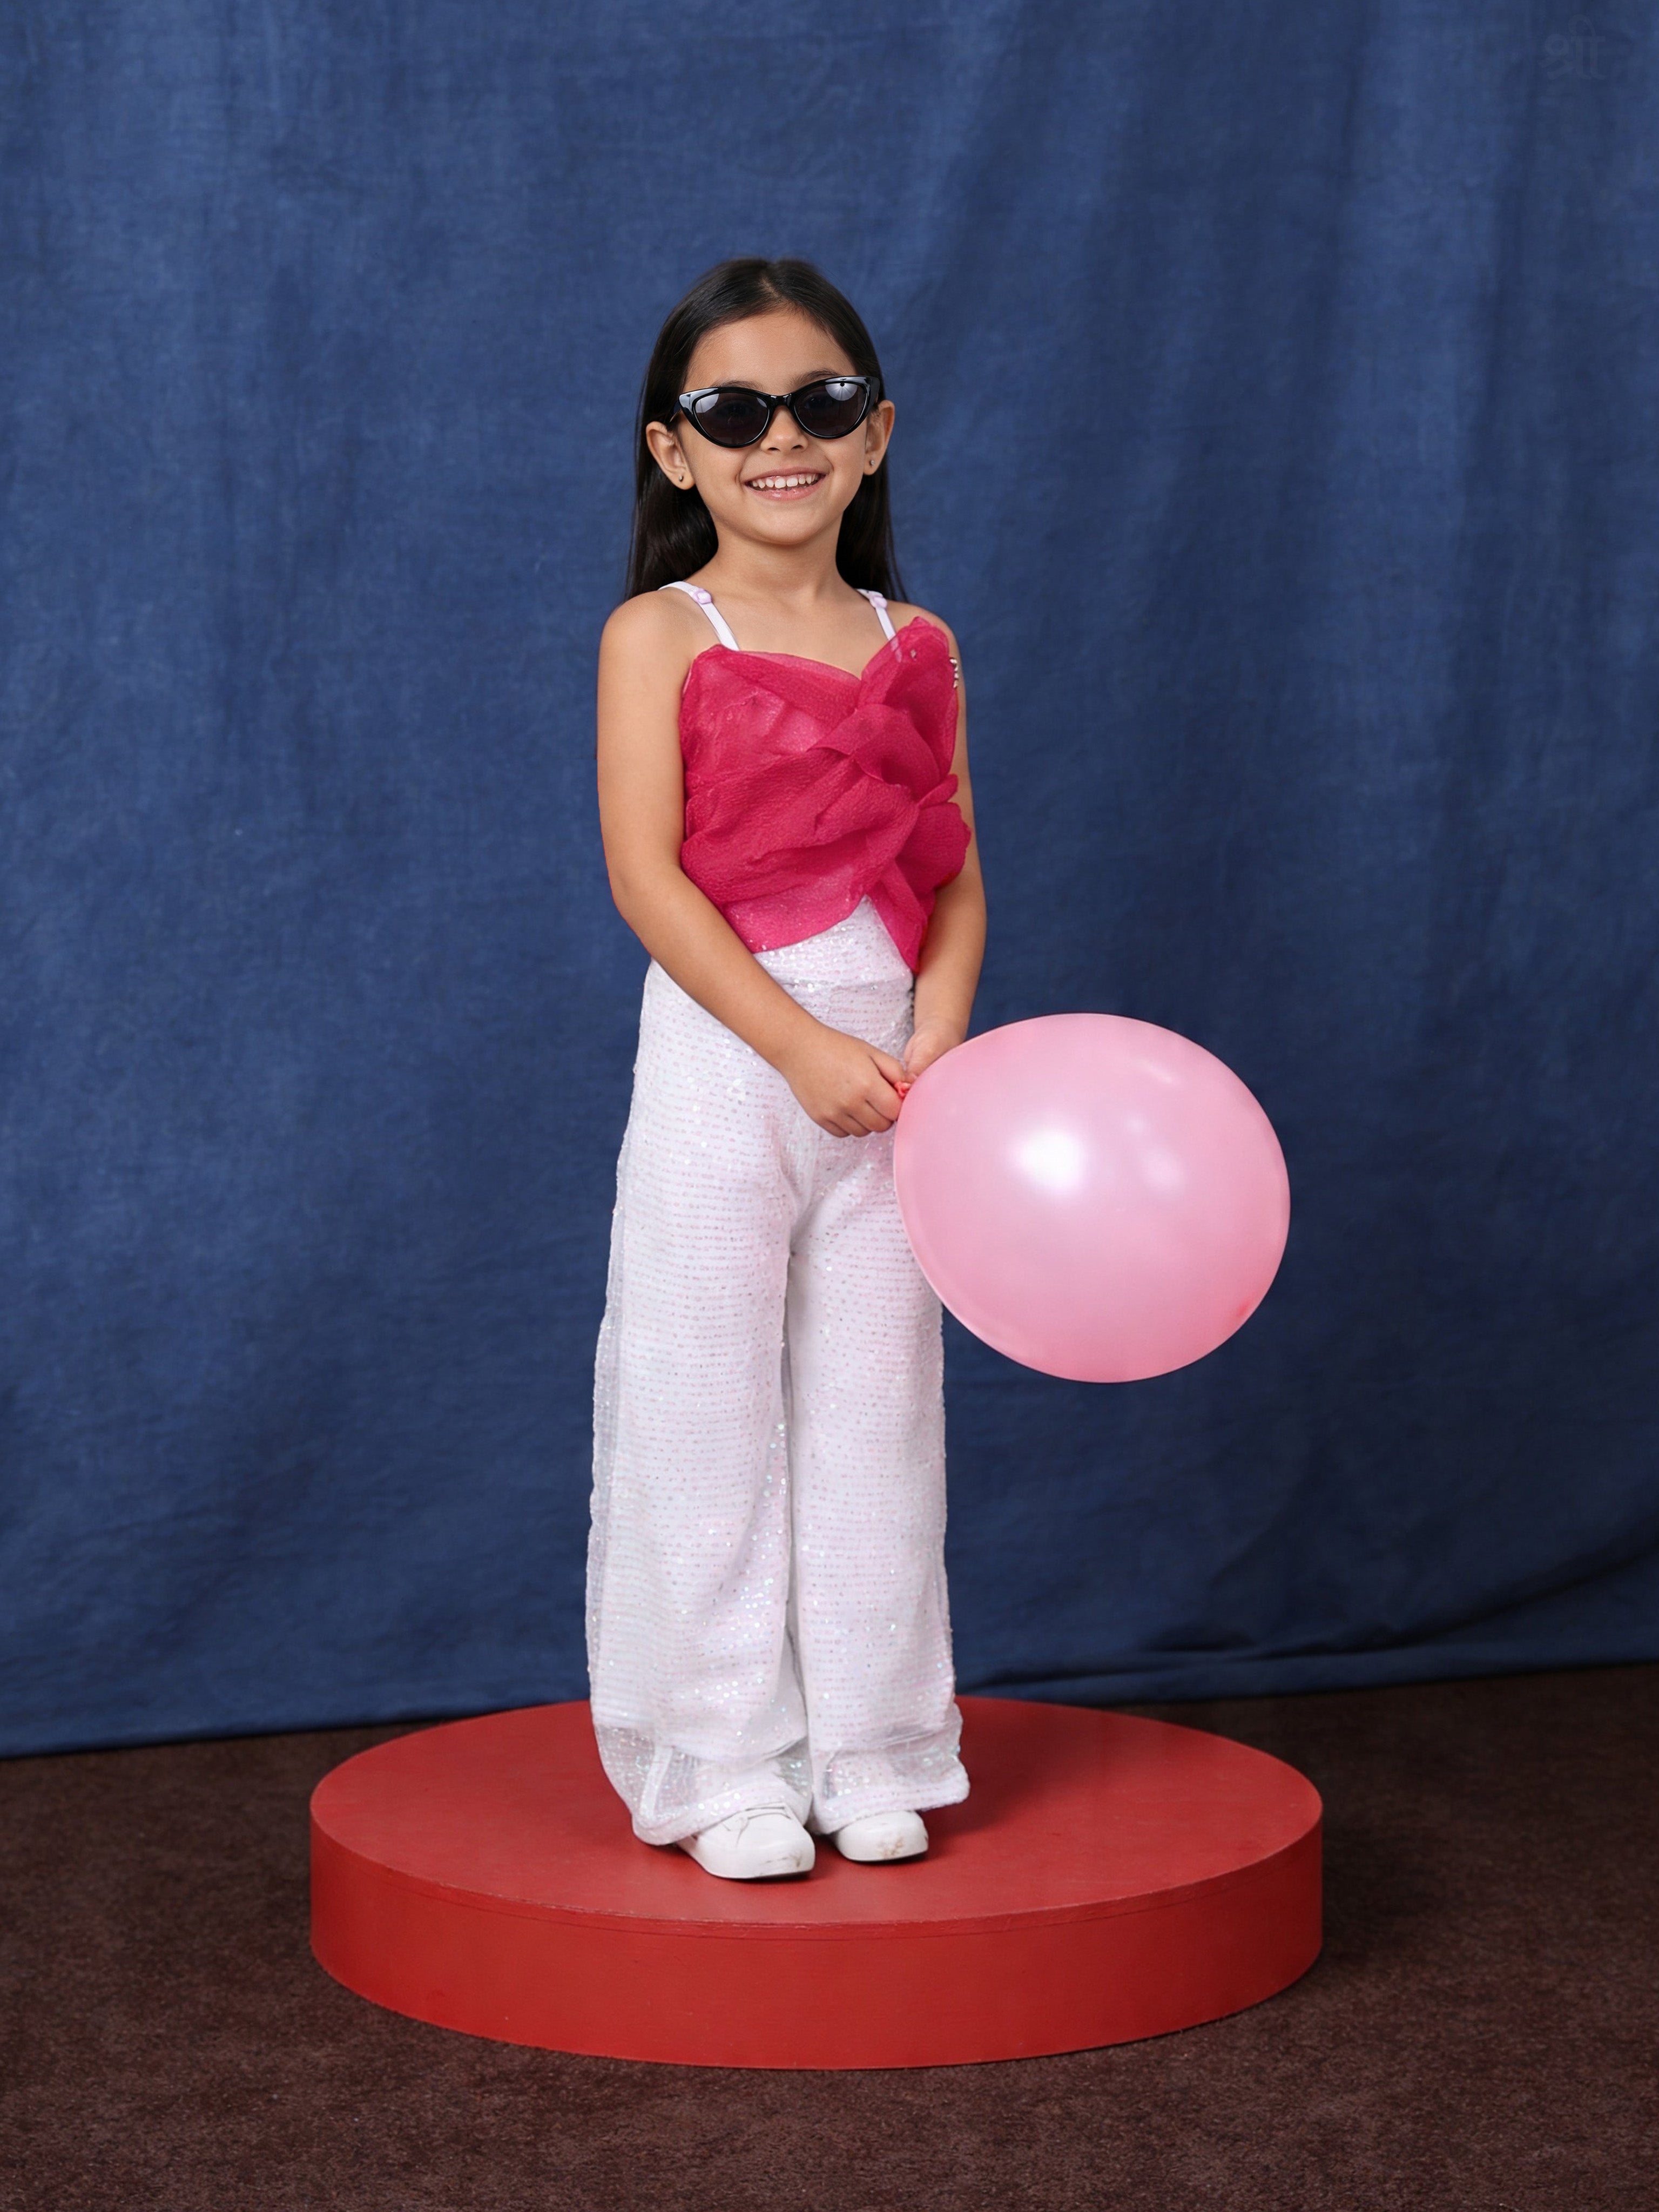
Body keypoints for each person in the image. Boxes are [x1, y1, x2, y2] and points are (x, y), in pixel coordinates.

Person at [588, 258, 985, 1881]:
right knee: (700, 1396)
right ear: (675, 450)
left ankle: (876, 1740)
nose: (781, 438)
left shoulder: (919, 637)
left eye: (820, 404)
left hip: (893, 1072)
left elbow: (953, 865)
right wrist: (801, 1044)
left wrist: (934, 1035)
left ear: (875, 433)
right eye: (732, 411)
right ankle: (722, 1757)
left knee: (881, 1403)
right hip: (728, 1055)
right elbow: (648, 878)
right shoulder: (656, 634)